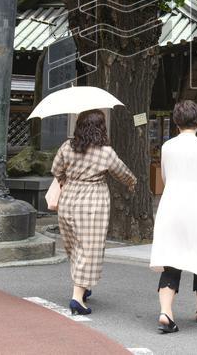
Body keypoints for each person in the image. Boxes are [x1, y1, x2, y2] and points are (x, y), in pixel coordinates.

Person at [149, 100, 197, 334]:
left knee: (171, 260)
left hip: (170, 205)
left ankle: (165, 311)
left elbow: (164, 176)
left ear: (176, 122)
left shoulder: (167, 147)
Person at [51, 109, 137, 315]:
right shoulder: (105, 152)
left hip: (68, 199)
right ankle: (77, 298)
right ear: (100, 128)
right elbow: (122, 173)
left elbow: (56, 170)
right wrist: (132, 183)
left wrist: (68, 179)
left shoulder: (67, 146)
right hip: (93, 202)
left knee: (73, 245)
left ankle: (83, 286)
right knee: (89, 248)